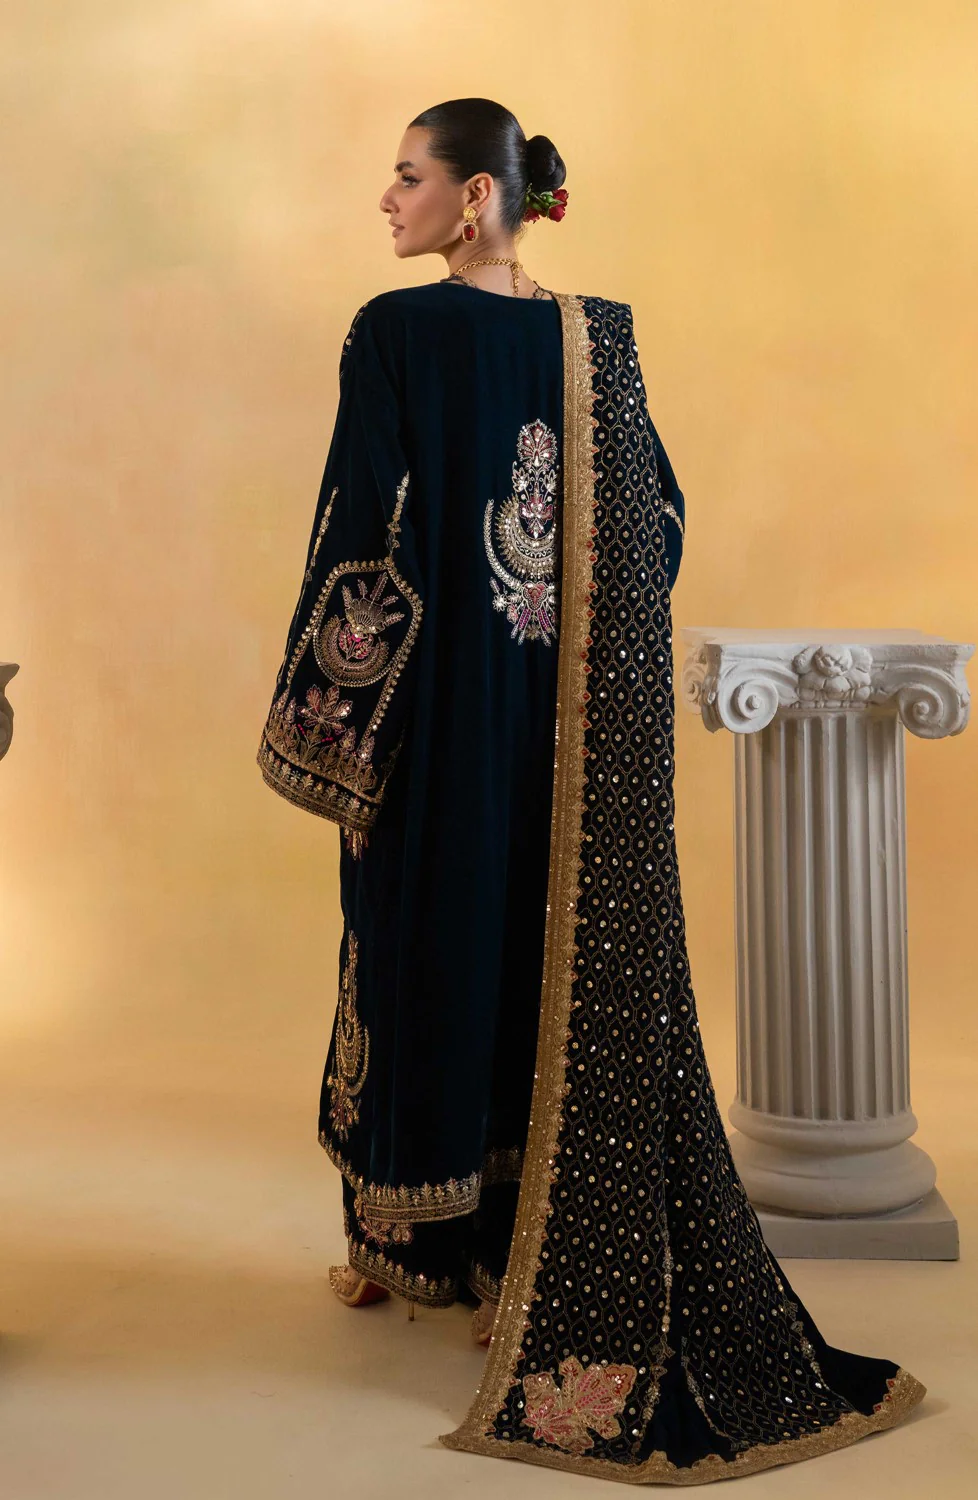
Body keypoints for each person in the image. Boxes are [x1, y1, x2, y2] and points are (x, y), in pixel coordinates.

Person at [257, 98, 926, 1484]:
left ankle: (407, 1246)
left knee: (421, 946)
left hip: (439, 714)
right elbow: (657, 520)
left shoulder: (392, 332)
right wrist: (570, 650)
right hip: (566, 729)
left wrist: (340, 715)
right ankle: (517, 1262)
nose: (386, 199)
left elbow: (362, 527)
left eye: (407, 176)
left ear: (477, 199)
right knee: (535, 956)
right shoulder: (597, 339)